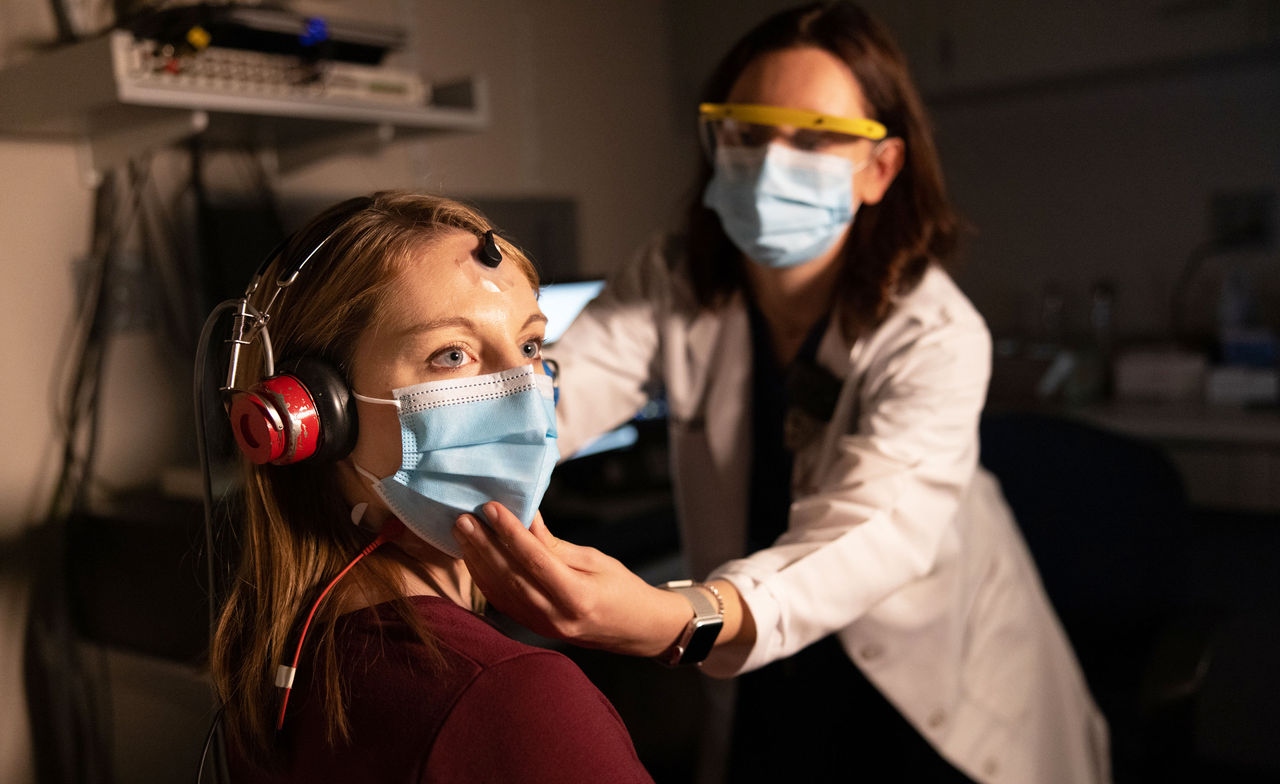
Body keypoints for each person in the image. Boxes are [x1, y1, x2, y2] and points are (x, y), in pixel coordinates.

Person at [450, 4, 1110, 783]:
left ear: (881, 169)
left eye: (815, 136)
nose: (771, 164)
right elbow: (561, 392)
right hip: (760, 660)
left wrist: (674, 620)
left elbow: (864, 537)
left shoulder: (933, 331)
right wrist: (444, 428)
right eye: (750, 133)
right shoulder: (675, 278)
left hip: (929, 683)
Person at [207, 192, 653, 783]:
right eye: (451, 354)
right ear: (316, 414)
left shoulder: (277, 672)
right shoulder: (512, 698)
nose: (523, 390)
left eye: (529, 345)